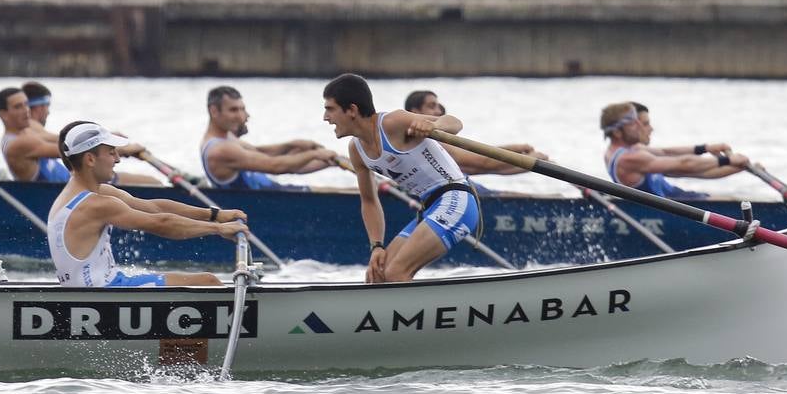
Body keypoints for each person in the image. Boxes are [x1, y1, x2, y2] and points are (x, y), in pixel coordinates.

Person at [49, 121, 247, 287]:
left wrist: (214, 214)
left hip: (101, 288)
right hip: (106, 293)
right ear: (90, 159)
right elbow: (161, 223)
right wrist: (219, 229)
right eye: (111, 152)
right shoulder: (95, 204)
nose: (117, 159)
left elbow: (154, 208)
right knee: (207, 282)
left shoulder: (79, 195)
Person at [323, 74, 481, 283]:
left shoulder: (393, 122)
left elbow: (454, 122)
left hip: (457, 200)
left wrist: (435, 126)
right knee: (377, 276)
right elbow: (369, 201)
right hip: (429, 207)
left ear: (352, 110)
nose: (325, 117)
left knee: (396, 273)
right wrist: (376, 245)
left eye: (330, 109)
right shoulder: (356, 150)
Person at [0, 85, 156, 185]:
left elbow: (65, 138)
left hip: (78, 182)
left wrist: (106, 135)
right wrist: (125, 149)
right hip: (74, 193)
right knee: (153, 183)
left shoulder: (30, 128)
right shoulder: (18, 144)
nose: (26, 110)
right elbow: (77, 150)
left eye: (26, 104)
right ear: (4, 114)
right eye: (18, 107)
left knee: (152, 182)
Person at [600, 101, 748, 199]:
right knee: (734, 202)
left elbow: (667, 153)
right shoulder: (628, 159)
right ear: (617, 132)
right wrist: (727, 160)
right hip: (673, 210)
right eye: (633, 123)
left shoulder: (631, 149)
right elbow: (683, 164)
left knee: (732, 200)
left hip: (676, 199)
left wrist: (705, 148)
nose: (639, 126)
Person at [200, 86, 337, 190]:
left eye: (242, 109)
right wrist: (315, 154)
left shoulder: (228, 137)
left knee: (352, 191)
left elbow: (259, 152)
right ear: (214, 111)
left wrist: (292, 145)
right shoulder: (219, 150)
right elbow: (275, 166)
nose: (242, 116)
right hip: (271, 202)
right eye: (233, 110)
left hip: (276, 192)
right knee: (345, 193)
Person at [404, 90, 545, 178]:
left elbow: (481, 164)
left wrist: (515, 149)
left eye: (438, 107)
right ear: (414, 111)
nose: (438, 112)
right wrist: (534, 160)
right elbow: (483, 163)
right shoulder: (422, 140)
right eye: (431, 106)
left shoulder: (433, 138)